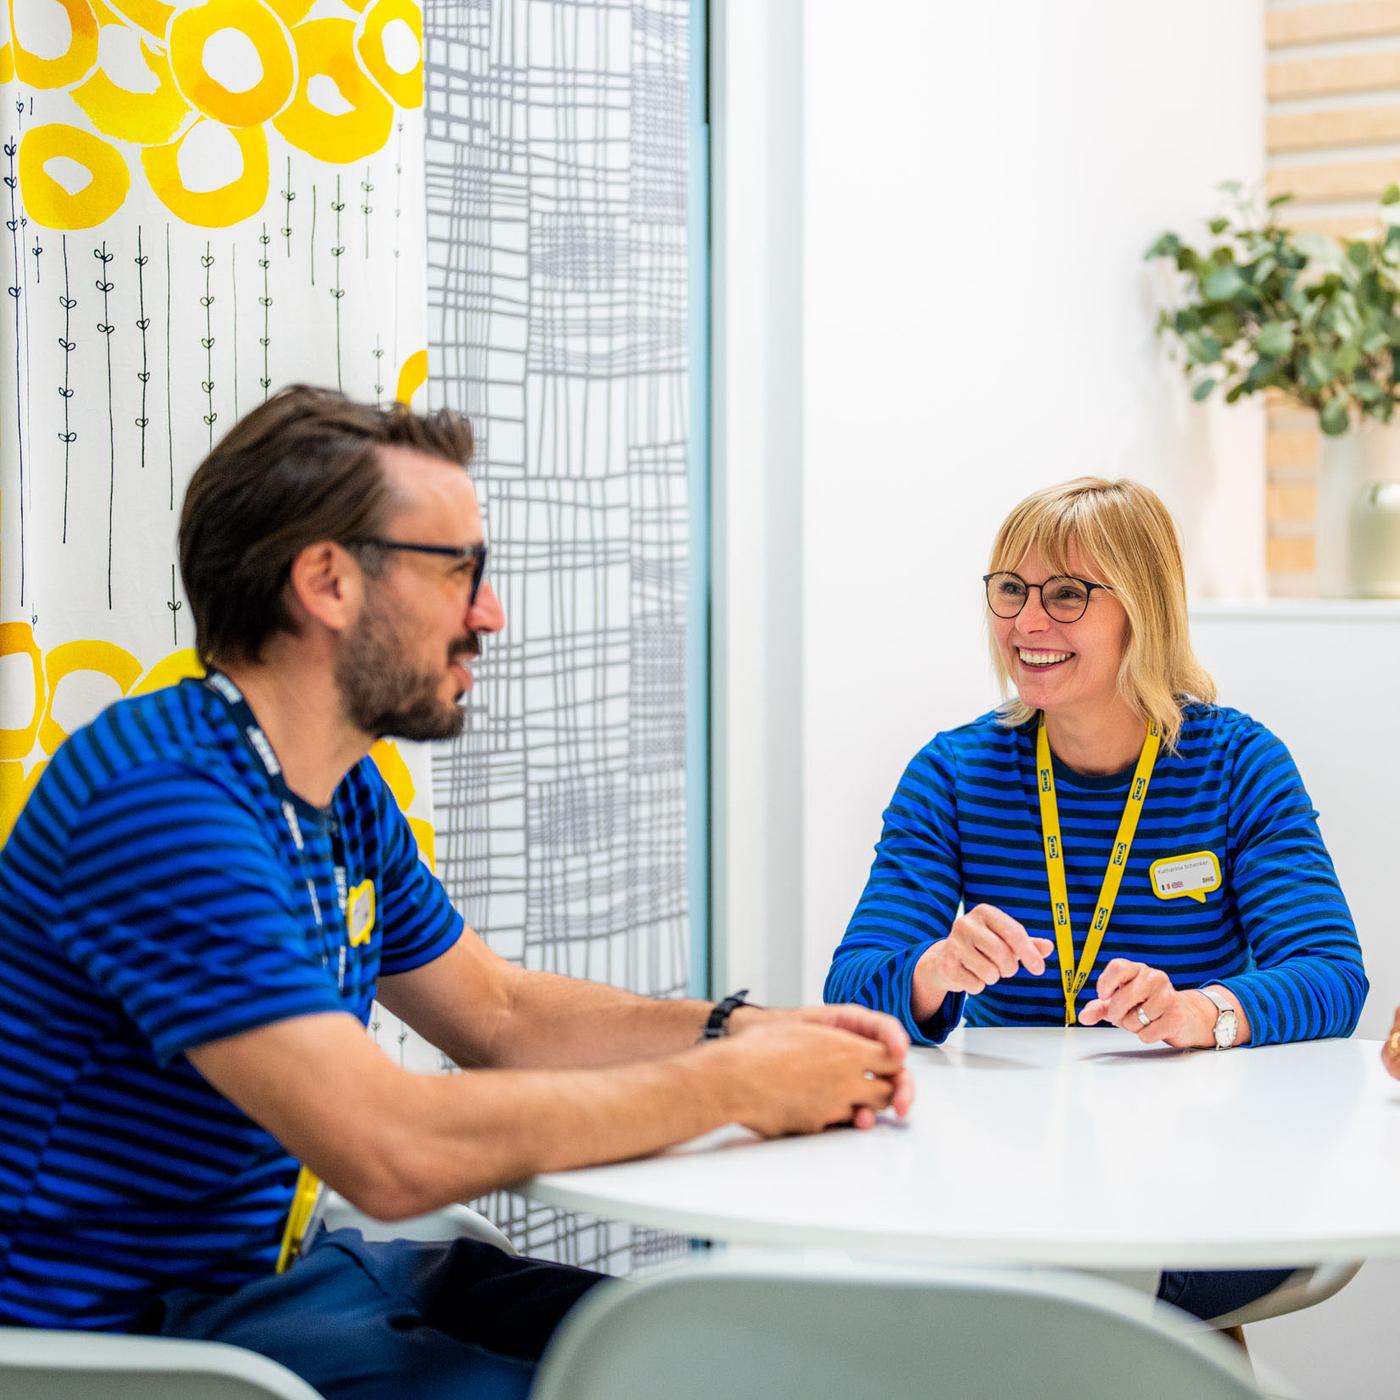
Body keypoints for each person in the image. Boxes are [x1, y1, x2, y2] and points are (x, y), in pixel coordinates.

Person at [0, 386, 913, 1398]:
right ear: (327, 580)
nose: (490, 612)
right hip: (147, 1345)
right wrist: (742, 1087)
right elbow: (385, 1148)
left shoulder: (333, 792)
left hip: (289, 1281)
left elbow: (501, 1012)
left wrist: (741, 1030)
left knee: (724, 1349)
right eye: (460, 570)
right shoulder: (162, 804)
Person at [825, 476, 1366, 1326]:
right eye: (1011, 591)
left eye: (1068, 595)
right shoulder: (954, 772)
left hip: (1207, 1167)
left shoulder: (1238, 765)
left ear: (1140, 610)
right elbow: (854, 989)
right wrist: (934, 970)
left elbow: (1332, 975)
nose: (1027, 623)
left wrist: (1202, 1012)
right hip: (1017, 1170)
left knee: (1082, 1305)